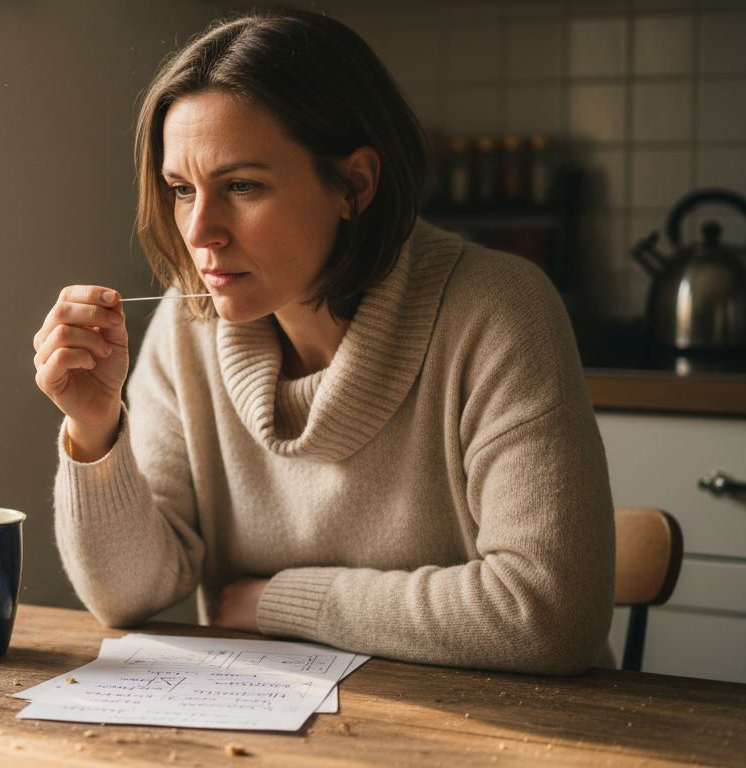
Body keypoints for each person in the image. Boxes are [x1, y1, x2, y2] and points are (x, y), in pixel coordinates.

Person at [31, 11, 614, 675]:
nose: (200, 232)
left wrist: (284, 602)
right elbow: (127, 597)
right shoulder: (187, 325)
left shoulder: (500, 311)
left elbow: (548, 615)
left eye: (242, 186)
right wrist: (95, 427)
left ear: (354, 184)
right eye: (180, 190)